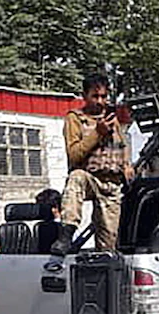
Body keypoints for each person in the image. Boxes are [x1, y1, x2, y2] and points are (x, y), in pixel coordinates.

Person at [50, 73, 134, 256]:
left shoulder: (112, 119)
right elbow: (74, 155)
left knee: (107, 245)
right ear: (85, 96)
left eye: (104, 96)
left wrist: (127, 165)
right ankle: (66, 234)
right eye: (95, 96)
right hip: (90, 178)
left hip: (111, 184)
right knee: (76, 178)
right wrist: (97, 133)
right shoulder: (75, 119)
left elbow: (122, 145)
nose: (100, 101)